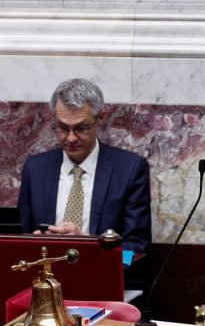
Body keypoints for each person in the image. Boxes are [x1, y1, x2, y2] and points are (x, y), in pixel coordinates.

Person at [16, 78, 152, 253]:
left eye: (81, 128)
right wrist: (30, 245)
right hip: (44, 276)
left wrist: (89, 245)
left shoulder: (130, 170)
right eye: (63, 128)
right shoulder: (35, 169)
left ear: (101, 117)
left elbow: (137, 249)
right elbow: (19, 237)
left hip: (101, 277)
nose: (71, 138)